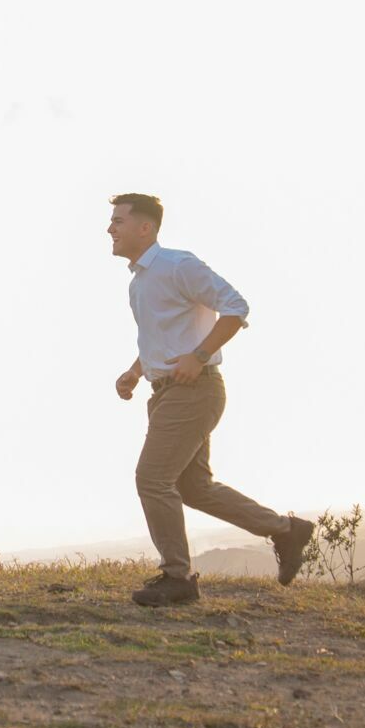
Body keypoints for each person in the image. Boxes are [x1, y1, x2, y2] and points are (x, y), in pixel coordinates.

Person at [107, 193, 314, 606]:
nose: (110, 229)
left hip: (194, 392)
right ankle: (285, 530)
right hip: (166, 393)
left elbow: (236, 307)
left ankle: (177, 577)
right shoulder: (139, 282)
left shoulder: (178, 265)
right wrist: (136, 370)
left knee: (152, 479)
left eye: (118, 221)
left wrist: (199, 357)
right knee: (194, 487)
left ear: (145, 227)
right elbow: (163, 338)